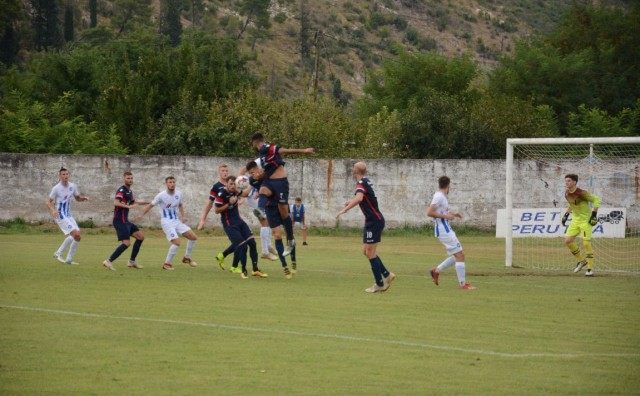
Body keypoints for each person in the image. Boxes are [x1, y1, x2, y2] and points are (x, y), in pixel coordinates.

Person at [251, 132, 314, 258]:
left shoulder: (266, 147)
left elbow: (284, 150)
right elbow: (268, 170)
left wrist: (304, 151)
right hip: (269, 182)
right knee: (263, 190)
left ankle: (290, 241)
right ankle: (261, 210)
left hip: (280, 183)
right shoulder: (262, 155)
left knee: (284, 213)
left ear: (255, 143)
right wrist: (260, 175)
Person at [336, 162, 396, 293]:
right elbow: (363, 198)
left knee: (370, 253)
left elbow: (359, 198)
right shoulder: (366, 181)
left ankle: (379, 284)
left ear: (355, 171)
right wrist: (350, 201)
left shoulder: (361, 183)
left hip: (374, 221)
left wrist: (344, 209)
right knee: (367, 252)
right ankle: (387, 275)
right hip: (373, 220)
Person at [135, 176, 198, 271]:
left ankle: (186, 258)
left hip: (176, 221)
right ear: (166, 184)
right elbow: (151, 205)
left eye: (173, 182)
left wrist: (183, 216)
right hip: (166, 222)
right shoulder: (161, 195)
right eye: (170, 182)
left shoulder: (179, 194)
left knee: (193, 237)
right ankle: (166, 264)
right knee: (177, 243)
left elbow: (180, 204)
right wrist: (141, 215)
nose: (172, 184)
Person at [214, 176, 268, 279]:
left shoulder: (235, 191)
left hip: (239, 222)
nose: (233, 186)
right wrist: (228, 203)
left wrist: (252, 183)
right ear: (226, 184)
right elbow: (216, 210)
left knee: (252, 243)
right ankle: (243, 271)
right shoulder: (221, 194)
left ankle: (255, 270)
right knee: (243, 246)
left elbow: (245, 194)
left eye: (234, 184)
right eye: (231, 184)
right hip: (230, 225)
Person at [427, 176, 475, 290]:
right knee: (460, 255)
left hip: (446, 228)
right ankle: (462, 285)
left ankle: (436, 271)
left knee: (458, 254)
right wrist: (447, 216)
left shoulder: (442, 196)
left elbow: (442, 211)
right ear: (448, 186)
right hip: (443, 230)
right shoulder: (439, 196)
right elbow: (429, 212)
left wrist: (453, 214)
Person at [102, 171, 150, 271]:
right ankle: (108, 261)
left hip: (126, 221)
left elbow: (134, 202)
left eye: (131, 178)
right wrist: (128, 206)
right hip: (119, 221)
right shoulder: (121, 190)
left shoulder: (129, 191)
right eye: (128, 178)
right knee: (127, 243)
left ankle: (132, 262)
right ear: (124, 179)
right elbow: (116, 202)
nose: (130, 180)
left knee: (140, 237)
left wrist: (148, 202)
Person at [46, 167, 90, 265]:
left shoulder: (73, 186)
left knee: (77, 237)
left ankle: (69, 259)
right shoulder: (56, 188)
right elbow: (48, 202)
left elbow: (77, 198)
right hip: (60, 215)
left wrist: (84, 198)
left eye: (67, 174)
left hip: (68, 215)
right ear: (60, 176)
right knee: (76, 235)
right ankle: (58, 253)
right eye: (63, 174)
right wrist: (53, 210)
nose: (66, 176)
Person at [197, 163, 236, 271]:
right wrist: (202, 219)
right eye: (223, 171)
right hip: (227, 219)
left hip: (236, 217)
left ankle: (226, 259)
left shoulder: (233, 184)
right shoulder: (216, 187)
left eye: (226, 171)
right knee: (239, 242)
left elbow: (240, 196)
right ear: (219, 172)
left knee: (240, 241)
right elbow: (209, 204)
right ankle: (233, 265)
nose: (225, 173)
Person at [562, 173, 601, 277]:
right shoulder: (566, 193)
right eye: (566, 181)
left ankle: (590, 269)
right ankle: (581, 261)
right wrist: (566, 215)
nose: (566, 182)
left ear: (575, 182)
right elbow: (571, 204)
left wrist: (594, 215)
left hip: (585, 221)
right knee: (568, 241)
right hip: (575, 220)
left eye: (569, 181)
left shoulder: (582, 193)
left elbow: (596, 200)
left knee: (586, 244)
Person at [237, 163, 278, 261]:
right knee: (266, 223)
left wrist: (259, 193)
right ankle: (265, 250)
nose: (251, 175)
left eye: (252, 173)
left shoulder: (266, 174)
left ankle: (268, 245)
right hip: (257, 202)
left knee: (268, 223)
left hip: (263, 200)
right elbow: (246, 192)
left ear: (258, 169)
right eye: (250, 173)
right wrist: (237, 192)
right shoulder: (251, 179)